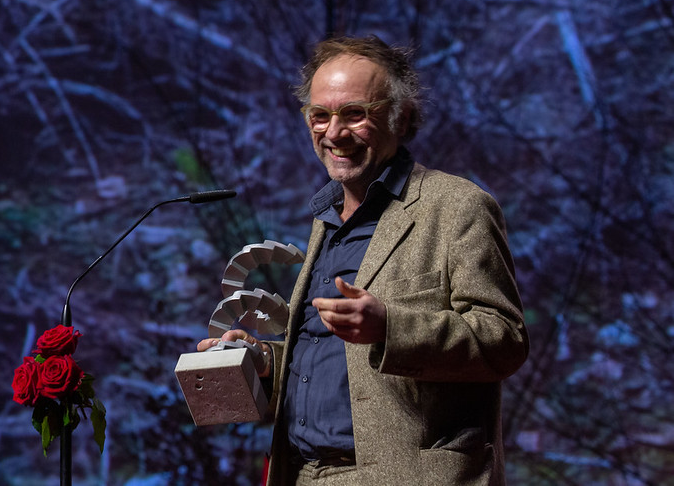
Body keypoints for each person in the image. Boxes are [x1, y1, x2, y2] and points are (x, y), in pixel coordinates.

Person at [198, 35, 529, 485]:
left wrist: (391, 327)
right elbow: (330, 365)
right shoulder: (326, 221)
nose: (333, 133)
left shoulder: (457, 206)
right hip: (302, 475)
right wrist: (262, 363)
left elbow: (504, 340)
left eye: (354, 114)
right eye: (320, 116)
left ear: (401, 117)